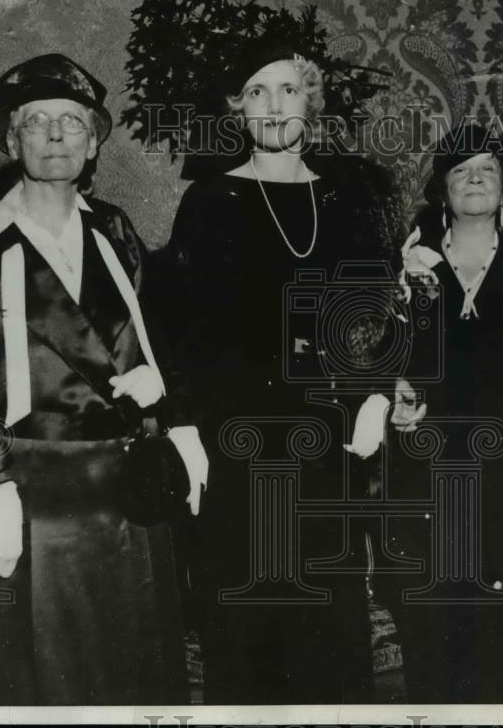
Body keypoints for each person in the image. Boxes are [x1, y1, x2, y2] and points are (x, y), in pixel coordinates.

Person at [0, 53, 206, 705]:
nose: (56, 136)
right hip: (31, 493)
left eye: (72, 123)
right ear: (12, 137)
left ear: (92, 140)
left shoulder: (112, 229)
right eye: (38, 122)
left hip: (128, 486)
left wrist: (170, 405)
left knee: (136, 667)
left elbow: (154, 339)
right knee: (53, 678)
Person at [158, 35, 393, 704]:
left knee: (330, 623)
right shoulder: (210, 199)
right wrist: (186, 431)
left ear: (310, 101)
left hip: (328, 443)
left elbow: (382, 302)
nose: (274, 103)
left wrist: (374, 394)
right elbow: (184, 333)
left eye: (288, 88)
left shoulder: (352, 196)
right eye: (256, 92)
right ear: (238, 110)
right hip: (239, 444)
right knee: (246, 625)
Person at [379, 124, 503, 703]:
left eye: (487, 169)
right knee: (440, 652)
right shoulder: (408, 273)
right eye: (461, 170)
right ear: (442, 189)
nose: (474, 178)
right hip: (429, 489)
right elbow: (379, 367)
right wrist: (395, 392)